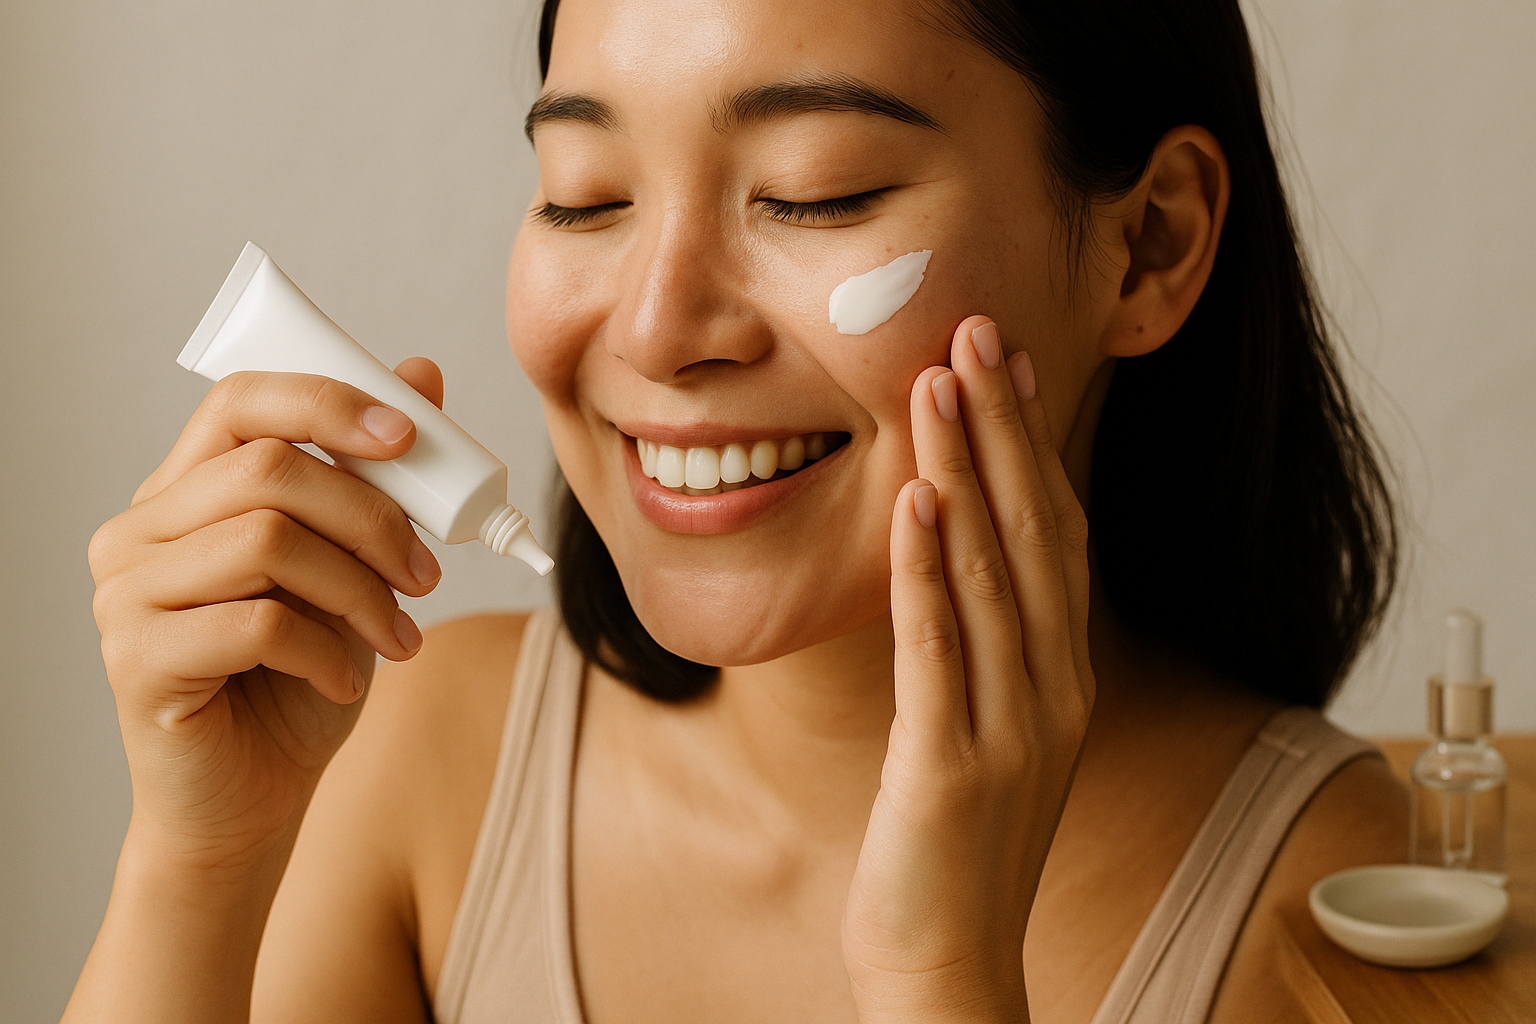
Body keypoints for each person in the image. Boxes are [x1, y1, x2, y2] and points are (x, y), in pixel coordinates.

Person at [67, 0, 1408, 1021]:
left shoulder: (1353, 911)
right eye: (584, 199)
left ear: (1150, 242)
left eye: (816, 190)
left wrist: (940, 971)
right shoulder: (418, 770)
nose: (657, 329)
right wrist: (198, 864)